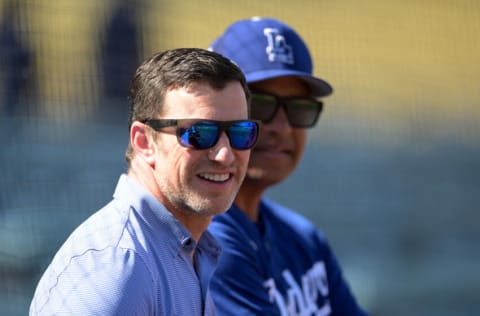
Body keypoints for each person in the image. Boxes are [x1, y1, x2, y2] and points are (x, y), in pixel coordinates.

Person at [29, 48, 260, 315]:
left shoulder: (189, 249)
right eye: (199, 133)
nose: (225, 154)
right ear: (144, 141)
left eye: (241, 132)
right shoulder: (119, 267)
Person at [208, 17, 369, 315]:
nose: (281, 127)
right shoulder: (209, 243)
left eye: (299, 108)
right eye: (258, 104)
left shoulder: (303, 239)